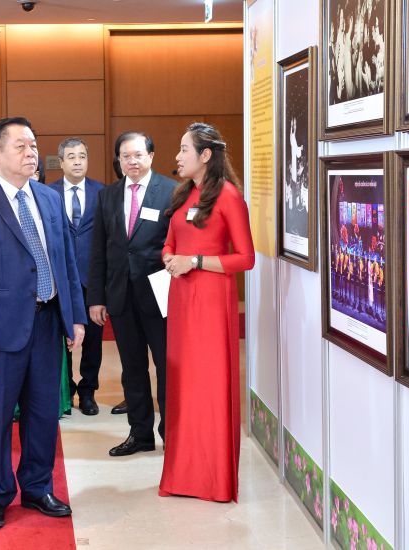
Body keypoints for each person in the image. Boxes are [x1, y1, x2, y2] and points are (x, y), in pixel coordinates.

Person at [0, 117, 86, 529]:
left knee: (44, 412)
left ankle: (37, 486)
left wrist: (75, 316)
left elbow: (65, 262)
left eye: (33, 146)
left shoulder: (48, 198)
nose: (32, 153)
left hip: (48, 323)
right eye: (21, 147)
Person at [159, 122, 255, 503]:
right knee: (183, 388)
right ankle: (182, 475)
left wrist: (195, 260)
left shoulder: (229, 197)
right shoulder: (183, 195)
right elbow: (169, 243)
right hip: (182, 300)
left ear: (205, 156)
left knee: (210, 387)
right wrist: (170, 257)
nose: (177, 156)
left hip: (212, 303)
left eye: (184, 149)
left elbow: (245, 258)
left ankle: (211, 479)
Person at [87, 131, 177, 456]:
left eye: (138, 155)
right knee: (132, 369)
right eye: (126, 156)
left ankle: (172, 434)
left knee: (167, 368)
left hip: (160, 295)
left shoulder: (171, 191)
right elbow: (99, 250)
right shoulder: (107, 195)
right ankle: (140, 435)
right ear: (119, 160)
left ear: (151, 156)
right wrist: (96, 297)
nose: (133, 161)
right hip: (121, 296)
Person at [49, 138, 105, 416]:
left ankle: (88, 390)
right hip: (61, 279)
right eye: (71, 157)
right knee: (65, 336)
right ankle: (66, 389)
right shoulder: (47, 193)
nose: (77, 161)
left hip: (92, 278)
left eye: (82, 156)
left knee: (93, 338)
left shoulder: (102, 192)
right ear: (61, 163)